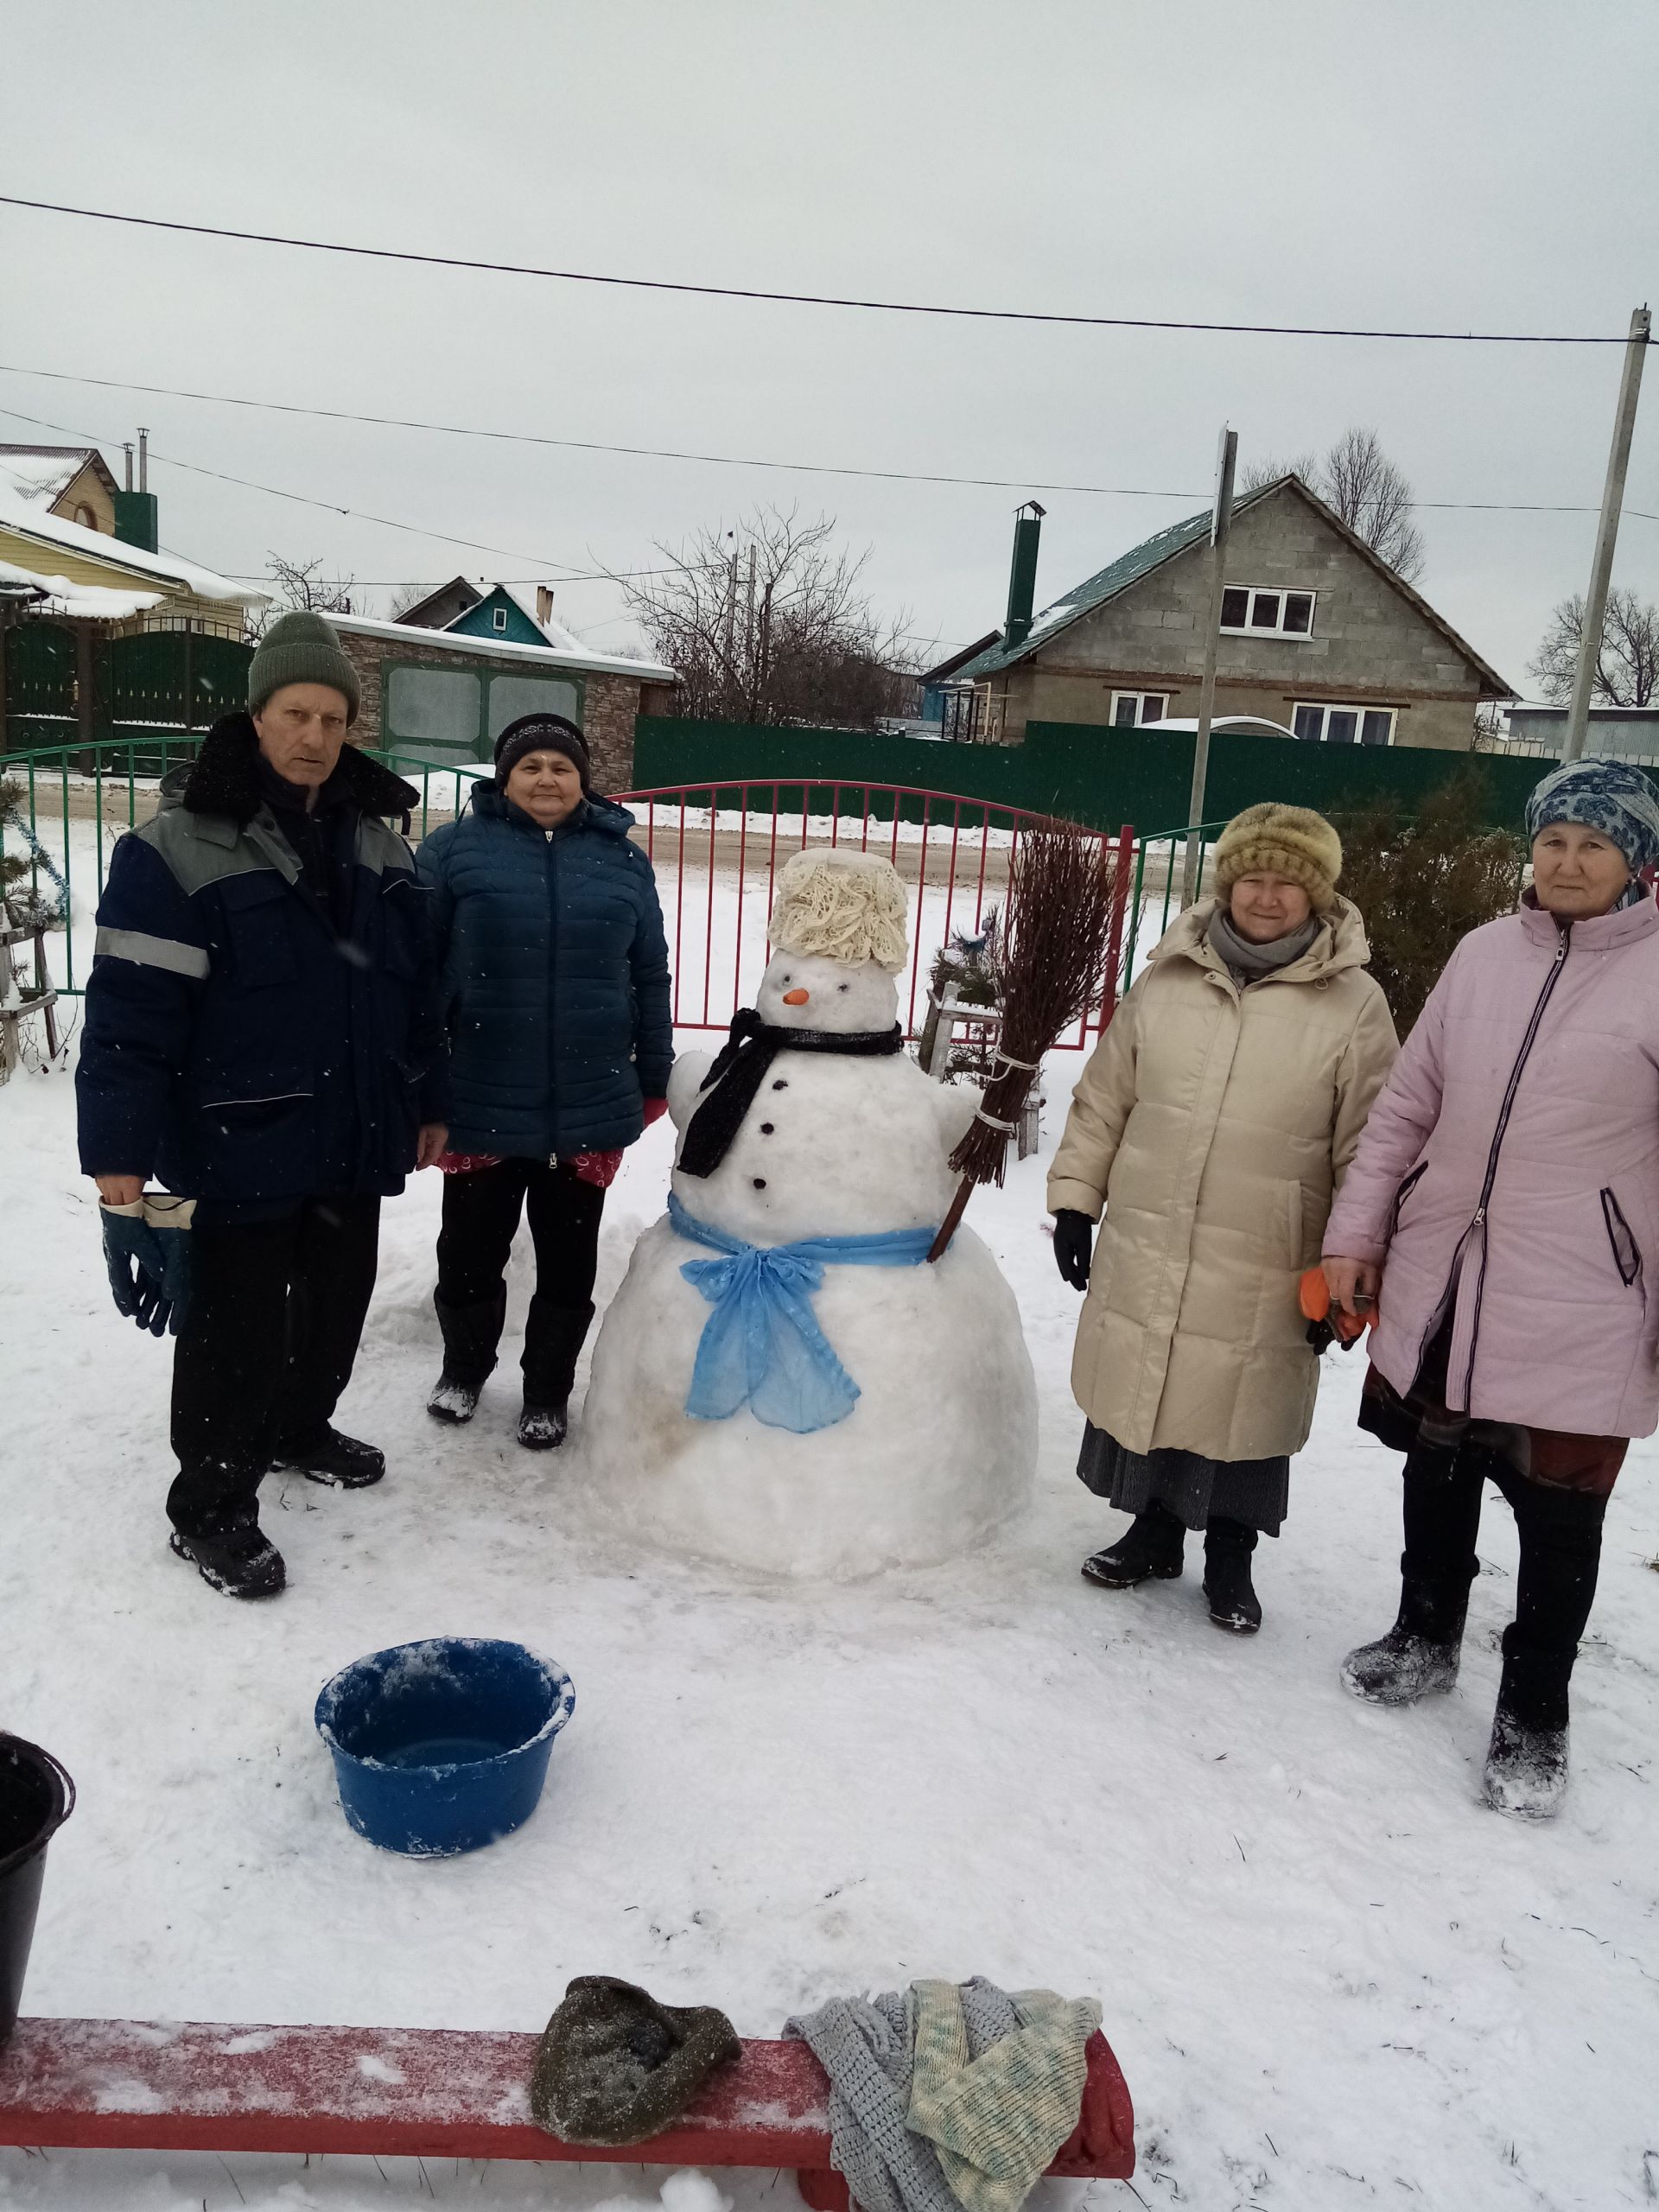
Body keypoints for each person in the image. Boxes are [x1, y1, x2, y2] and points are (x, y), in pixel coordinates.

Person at [76, 610, 449, 1600]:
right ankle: (209, 1507)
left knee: (334, 1311)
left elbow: (416, 992)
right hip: (237, 1139)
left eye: (333, 716)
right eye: (296, 711)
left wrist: (428, 1095)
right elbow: (130, 1012)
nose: (316, 735)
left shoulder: (380, 845)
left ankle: (299, 1428)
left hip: (353, 1130)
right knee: (232, 1332)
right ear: (257, 715)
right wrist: (117, 1151)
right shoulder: (174, 848)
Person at [1323, 760, 1659, 1819]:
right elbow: (1405, 1109)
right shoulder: (1480, 955)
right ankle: (1425, 1633)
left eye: (1595, 844)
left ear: (1637, 862)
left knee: (1561, 1512)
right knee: (1438, 1464)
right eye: (1553, 840)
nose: (1567, 861)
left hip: (1586, 1288)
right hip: (1448, 1265)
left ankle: (1535, 1714)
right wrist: (1357, 1234)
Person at [1048, 804, 1397, 1631]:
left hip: (1274, 1244)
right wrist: (1074, 1202)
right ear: (1227, 884)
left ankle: (1232, 1559)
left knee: (1245, 1397)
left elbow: (1372, 1148)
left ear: (1316, 896)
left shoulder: (1355, 1004)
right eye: (1252, 879)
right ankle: (1153, 1531)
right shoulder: (1167, 979)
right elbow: (1104, 1100)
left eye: (1287, 883)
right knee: (1155, 1377)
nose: (1267, 897)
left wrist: (1350, 1263)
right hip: (1154, 1226)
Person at [416, 713, 672, 1448]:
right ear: (505, 777)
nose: (547, 779)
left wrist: (652, 1071)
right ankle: (463, 1370)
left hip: (585, 1101)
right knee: (468, 1255)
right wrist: (421, 1071)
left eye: (561, 766)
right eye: (530, 766)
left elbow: (648, 972)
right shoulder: (454, 853)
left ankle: (547, 1394)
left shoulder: (622, 861)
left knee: (568, 1266)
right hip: (480, 1094)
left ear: (583, 776)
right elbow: (421, 975)